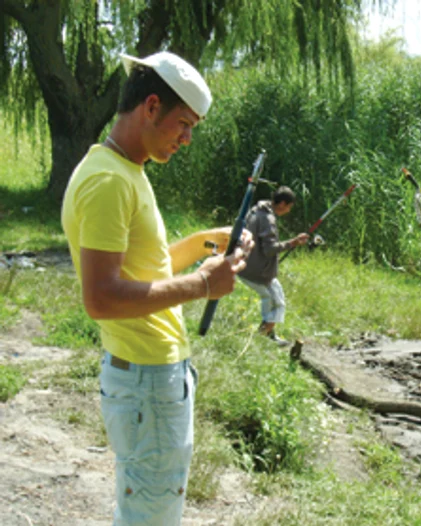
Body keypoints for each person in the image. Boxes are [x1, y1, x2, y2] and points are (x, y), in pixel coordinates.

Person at [61, 51, 252, 525]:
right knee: (151, 516)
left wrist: (208, 241)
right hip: (147, 382)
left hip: (151, 377)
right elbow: (101, 297)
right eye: (184, 124)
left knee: (147, 508)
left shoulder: (125, 169)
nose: (187, 139)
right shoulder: (109, 182)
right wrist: (202, 284)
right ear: (150, 107)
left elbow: (150, 267)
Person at [237, 186, 309, 346]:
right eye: (289, 207)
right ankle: (261, 338)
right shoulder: (268, 219)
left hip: (247, 265)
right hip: (255, 271)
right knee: (276, 302)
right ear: (282, 203)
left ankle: (268, 334)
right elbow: (270, 249)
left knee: (274, 297)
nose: (288, 210)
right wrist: (293, 242)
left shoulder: (256, 210)